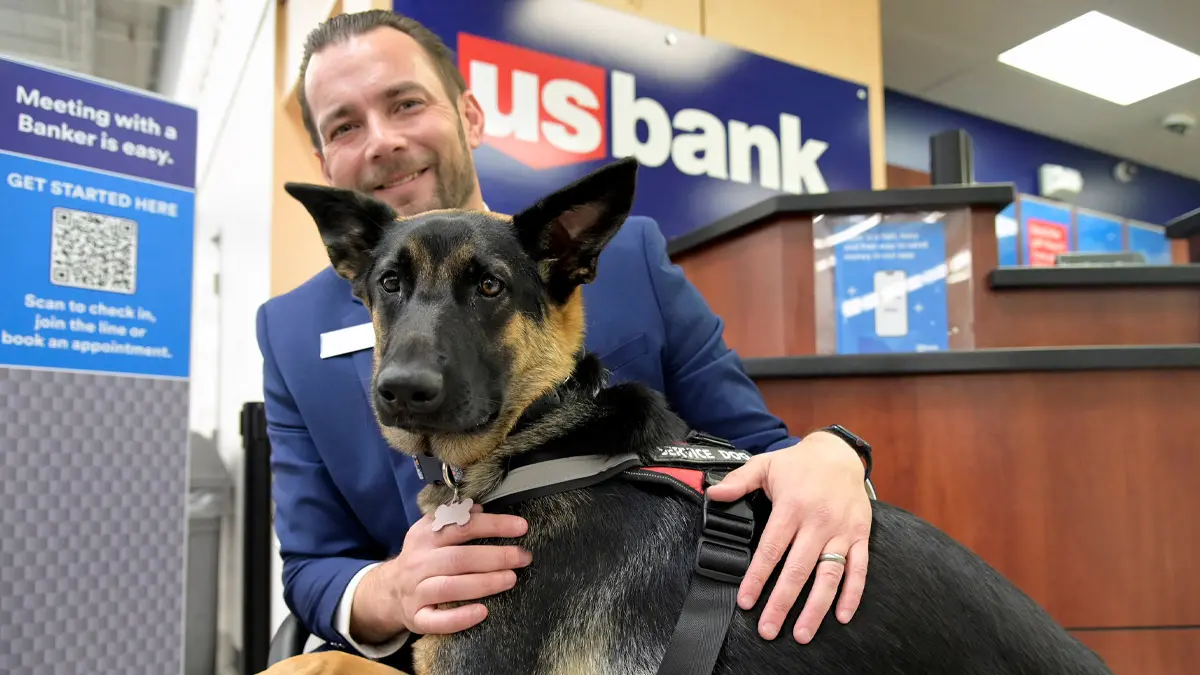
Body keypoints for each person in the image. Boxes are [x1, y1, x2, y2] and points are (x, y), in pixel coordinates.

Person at [256, 8, 874, 667]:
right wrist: (391, 589)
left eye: (405, 103)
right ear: (324, 161)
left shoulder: (628, 256)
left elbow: (757, 449)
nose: (381, 141)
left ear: (469, 115)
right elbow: (312, 563)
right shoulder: (289, 329)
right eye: (345, 126)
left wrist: (836, 456)